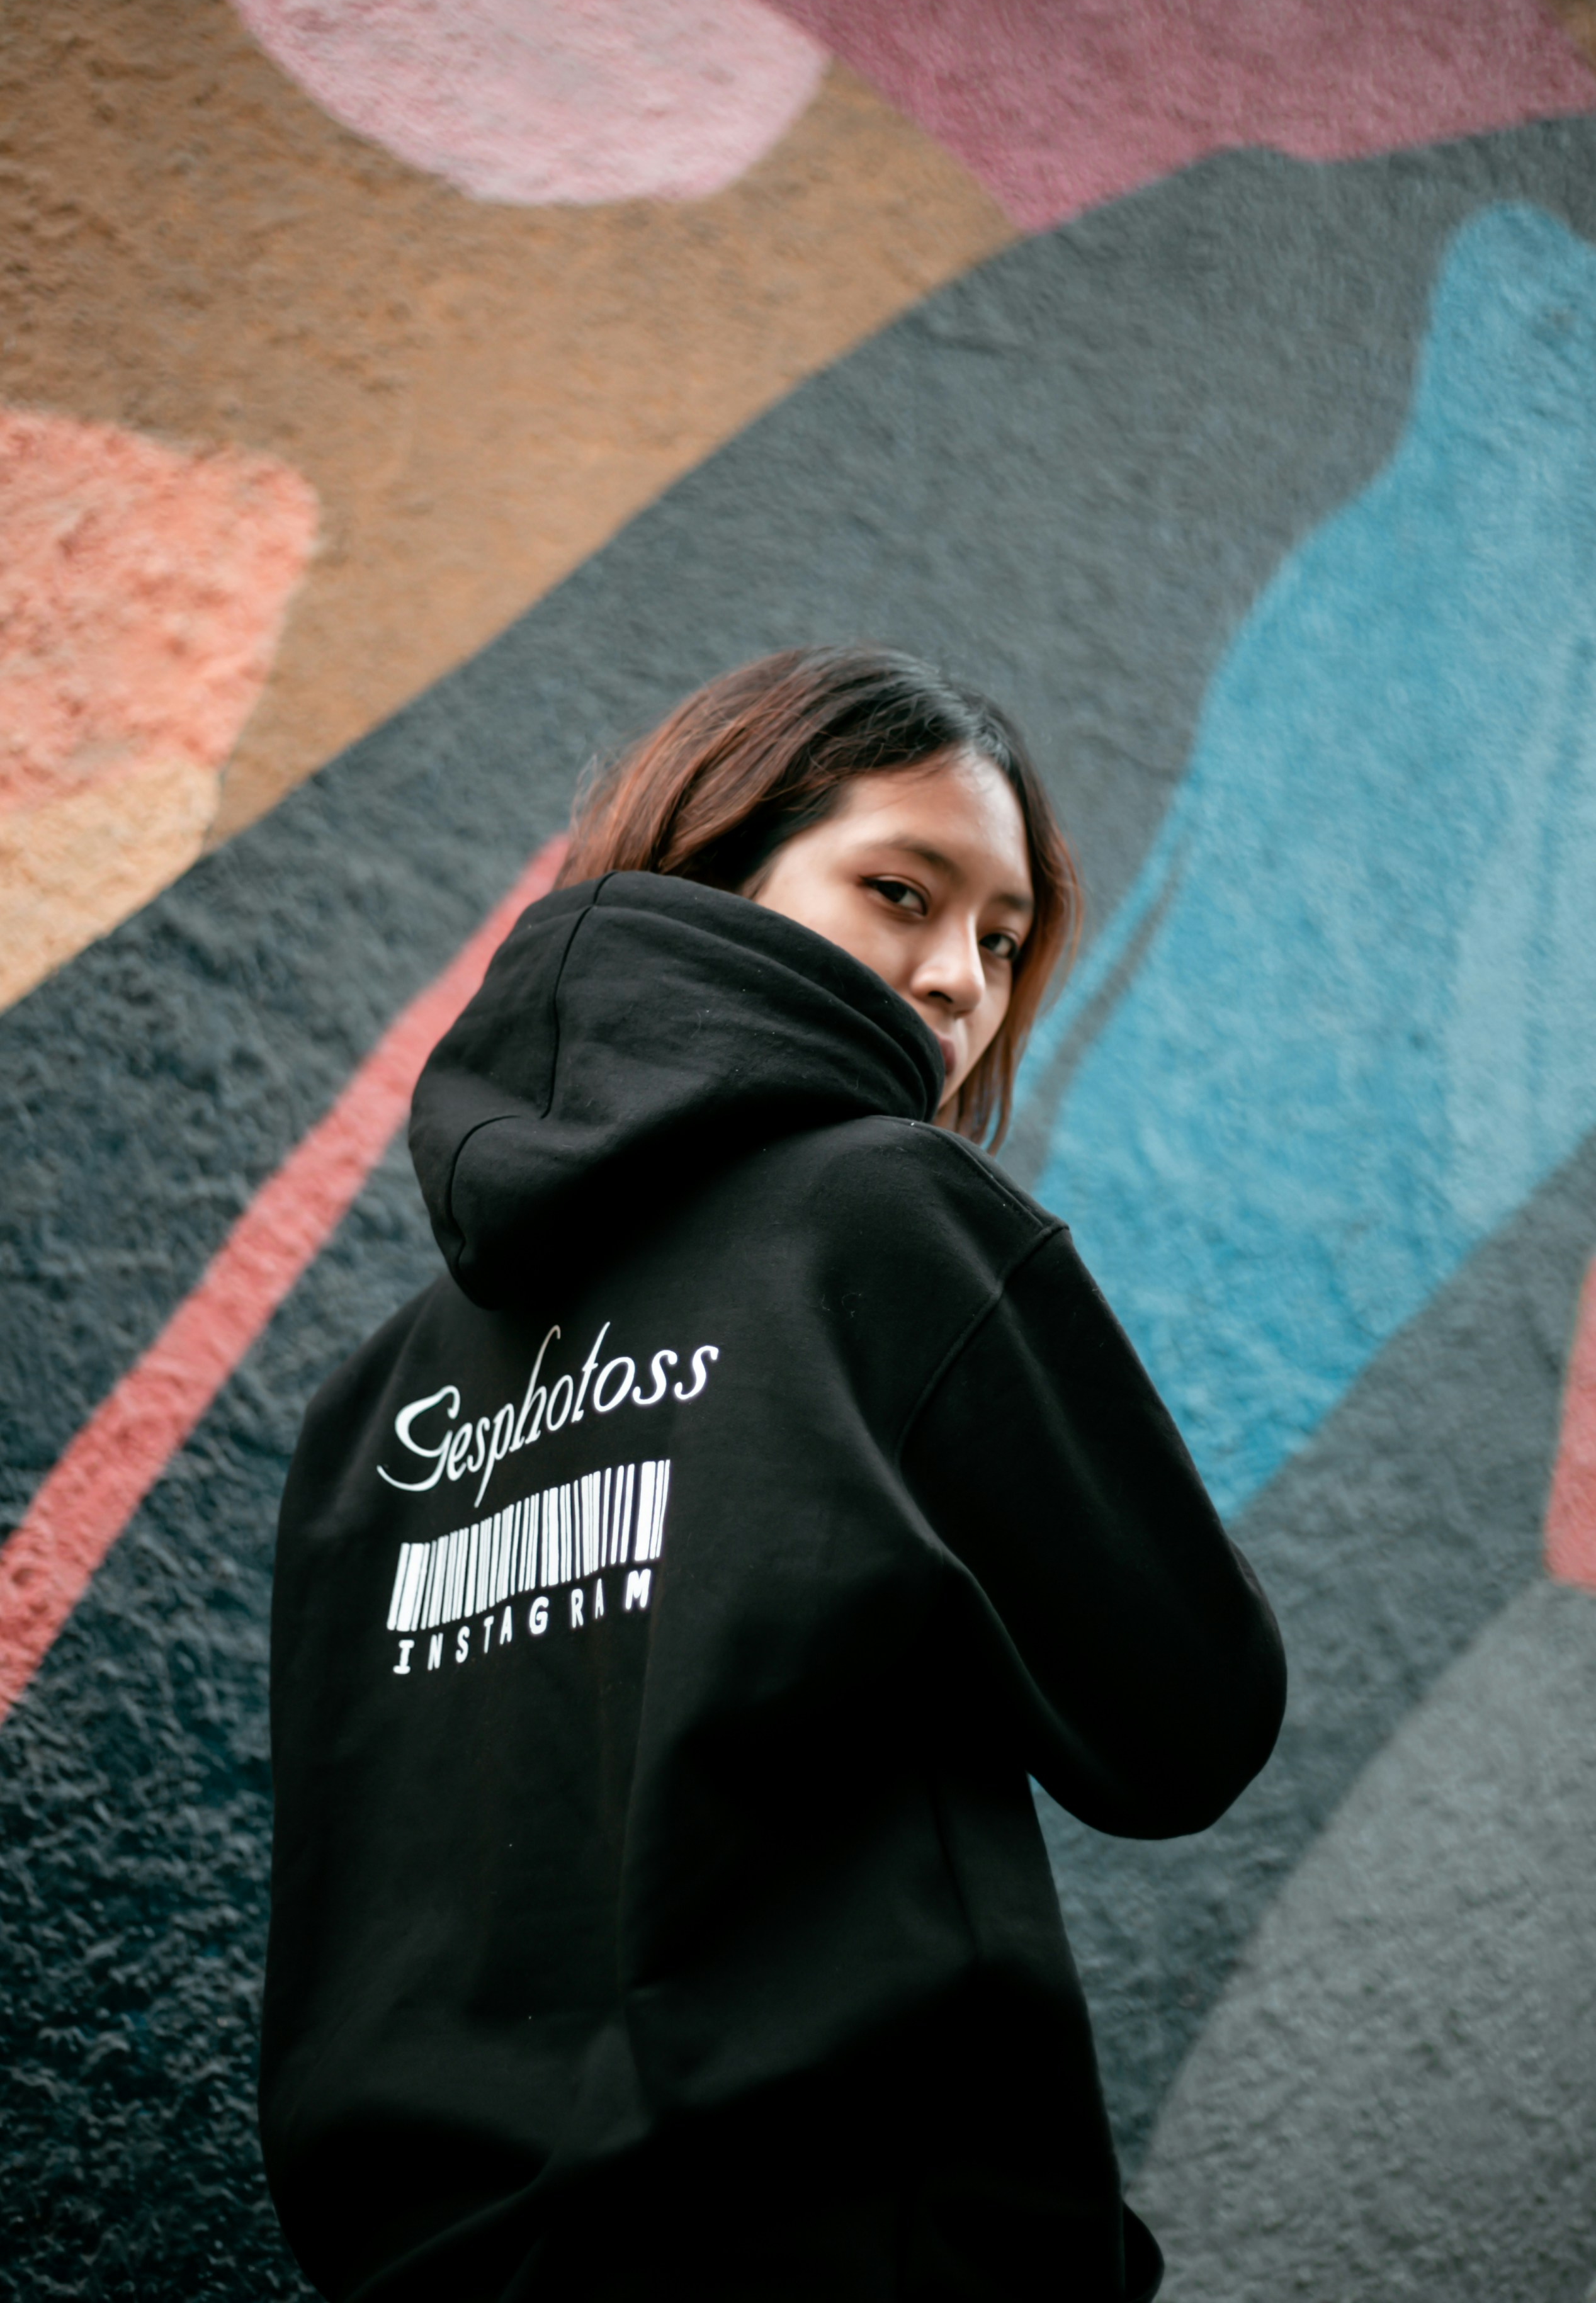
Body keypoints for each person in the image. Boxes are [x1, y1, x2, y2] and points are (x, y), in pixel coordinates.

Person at [259, 645, 1285, 2303]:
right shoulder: (886, 1221)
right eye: (902, 890)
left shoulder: (366, 1411)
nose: (960, 978)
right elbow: (1188, 1722)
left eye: (1005, 941)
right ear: (717, 871)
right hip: (861, 2246)